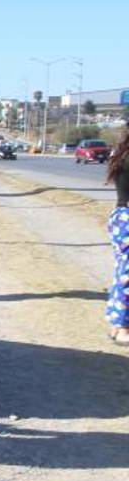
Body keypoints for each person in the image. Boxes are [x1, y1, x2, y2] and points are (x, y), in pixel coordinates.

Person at [104, 129, 129, 345]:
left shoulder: (122, 152)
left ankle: (116, 325)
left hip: (121, 217)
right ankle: (123, 328)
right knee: (127, 276)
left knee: (123, 273)